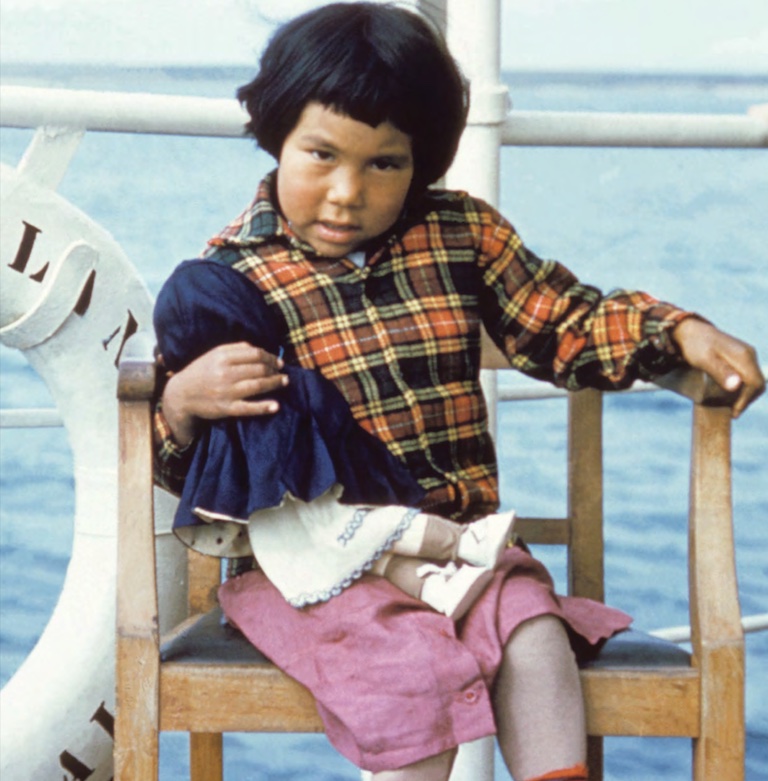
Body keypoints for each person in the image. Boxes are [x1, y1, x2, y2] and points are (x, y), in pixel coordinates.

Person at [153, 4, 765, 780]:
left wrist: (676, 331)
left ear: (423, 162)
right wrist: (182, 404)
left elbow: (562, 321)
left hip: (458, 544)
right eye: (321, 155)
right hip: (314, 570)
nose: (347, 192)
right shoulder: (229, 281)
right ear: (277, 136)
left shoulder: (459, 234)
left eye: (386, 163)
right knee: (410, 675)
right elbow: (197, 474)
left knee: (535, 630)